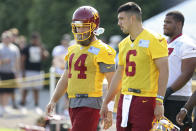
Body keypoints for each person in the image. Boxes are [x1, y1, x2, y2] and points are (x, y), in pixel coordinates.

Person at [100, 2, 169, 131]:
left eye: (121, 19)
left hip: (145, 99)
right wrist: (106, 102)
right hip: (125, 99)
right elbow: (118, 75)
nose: (119, 23)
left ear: (132, 18)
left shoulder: (155, 39)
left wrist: (159, 101)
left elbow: (164, 71)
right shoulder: (123, 44)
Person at [46, 6, 116, 131]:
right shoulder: (73, 48)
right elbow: (65, 78)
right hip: (73, 102)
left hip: (90, 102)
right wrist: (53, 100)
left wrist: (109, 108)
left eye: (84, 26)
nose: (80, 30)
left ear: (94, 27)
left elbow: (113, 82)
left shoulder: (103, 50)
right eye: (77, 26)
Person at [163, 11, 196, 131]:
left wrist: (168, 91)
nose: (164, 25)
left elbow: (187, 73)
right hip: (162, 97)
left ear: (178, 24)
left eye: (168, 22)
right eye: (164, 22)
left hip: (178, 99)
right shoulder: (163, 43)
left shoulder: (187, 43)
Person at [20, 32, 49, 114]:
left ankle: (36, 106)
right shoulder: (27, 48)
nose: (36, 41)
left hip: (38, 71)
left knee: (36, 89)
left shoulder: (41, 47)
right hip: (28, 70)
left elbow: (45, 57)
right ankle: (23, 105)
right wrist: (23, 72)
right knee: (26, 89)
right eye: (35, 39)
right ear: (32, 39)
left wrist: (42, 49)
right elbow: (22, 60)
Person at [0, 31, 20, 116]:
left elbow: (17, 61)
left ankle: (5, 107)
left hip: (11, 72)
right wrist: (4, 61)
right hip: (1, 72)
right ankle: (1, 107)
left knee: (8, 91)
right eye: (5, 37)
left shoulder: (14, 48)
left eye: (8, 37)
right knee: (1, 91)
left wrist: (17, 73)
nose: (7, 39)